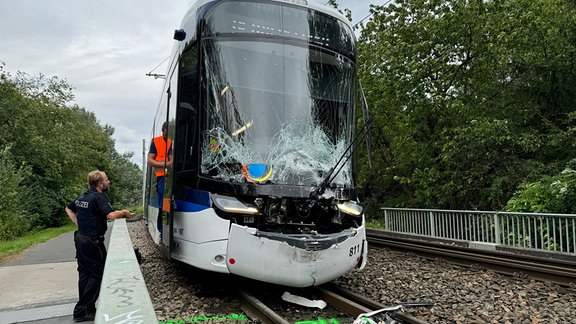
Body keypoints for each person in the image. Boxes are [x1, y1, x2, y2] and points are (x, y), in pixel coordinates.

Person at [65, 170, 133, 322]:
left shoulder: (83, 196)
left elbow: (68, 208)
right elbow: (111, 215)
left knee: (84, 274)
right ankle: (81, 310)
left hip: (81, 239)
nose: (109, 182)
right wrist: (124, 212)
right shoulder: (98, 197)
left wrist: (80, 224)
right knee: (99, 273)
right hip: (92, 242)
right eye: (107, 180)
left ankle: (88, 309)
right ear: (100, 184)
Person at [147, 121, 172, 235]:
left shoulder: (172, 141)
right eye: (166, 132)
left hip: (171, 175)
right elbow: (150, 160)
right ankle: (161, 229)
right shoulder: (156, 142)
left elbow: (171, 160)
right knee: (163, 201)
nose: (168, 135)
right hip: (161, 176)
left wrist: (165, 163)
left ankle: (165, 227)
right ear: (163, 131)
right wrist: (164, 164)